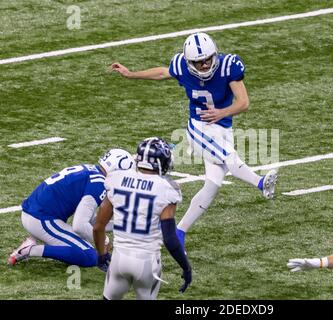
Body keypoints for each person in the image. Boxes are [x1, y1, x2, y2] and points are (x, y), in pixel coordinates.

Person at [110, 32, 278, 251]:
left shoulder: (228, 65)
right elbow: (163, 73)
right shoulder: (181, 66)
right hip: (199, 127)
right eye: (199, 62)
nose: (205, 64)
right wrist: (131, 74)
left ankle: (179, 232)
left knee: (213, 184)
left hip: (221, 126)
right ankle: (261, 182)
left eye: (207, 59)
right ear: (189, 62)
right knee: (229, 157)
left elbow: (244, 102)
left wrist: (222, 113)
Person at [93, 137, 191, 300]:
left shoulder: (116, 179)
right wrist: (186, 268)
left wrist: (102, 255)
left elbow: (98, 227)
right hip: (147, 262)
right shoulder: (167, 188)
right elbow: (170, 238)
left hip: (119, 259)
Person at [7, 149, 135, 269]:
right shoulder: (99, 183)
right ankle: (31, 250)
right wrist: (104, 241)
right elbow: (79, 225)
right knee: (90, 256)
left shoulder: (93, 172)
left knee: (87, 246)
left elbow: (91, 222)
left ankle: (35, 244)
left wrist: (123, 224)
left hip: (38, 214)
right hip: (41, 218)